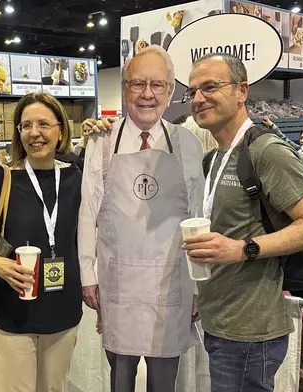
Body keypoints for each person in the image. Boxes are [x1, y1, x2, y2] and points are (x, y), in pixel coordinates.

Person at [181, 53, 303, 392]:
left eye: (210, 87)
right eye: (192, 92)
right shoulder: (214, 158)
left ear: (241, 91)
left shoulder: (267, 151)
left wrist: (243, 248)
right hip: (221, 322)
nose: (199, 98)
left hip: (251, 331)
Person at [79, 45, 202, 392]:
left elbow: (198, 218)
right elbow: (89, 212)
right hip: (119, 285)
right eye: (137, 84)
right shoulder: (101, 142)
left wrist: (199, 285)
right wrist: (88, 274)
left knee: (164, 382)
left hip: (173, 283)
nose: (147, 94)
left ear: (170, 91)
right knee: (120, 380)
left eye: (157, 85)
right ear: (124, 87)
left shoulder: (187, 144)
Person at [0, 93, 82, 392]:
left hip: (62, 310)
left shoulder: (76, 179)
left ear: (61, 131)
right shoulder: (0, 179)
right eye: (25, 125)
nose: (34, 133)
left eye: (43, 124)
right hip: (11, 312)